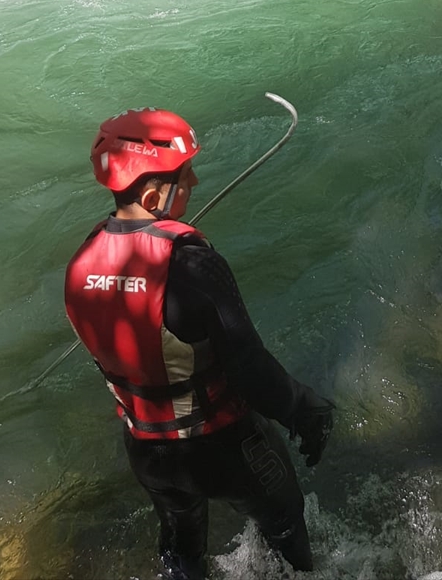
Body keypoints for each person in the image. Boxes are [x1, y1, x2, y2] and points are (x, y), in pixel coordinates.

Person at [65, 108, 334, 580]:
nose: (196, 179)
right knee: (284, 520)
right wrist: (306, 411)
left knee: (181, 541)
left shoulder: (80, 263)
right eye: (185, 174)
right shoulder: (193, 267)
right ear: (153, 196)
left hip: (147, 453)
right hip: (223, 446)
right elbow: (251, 369)